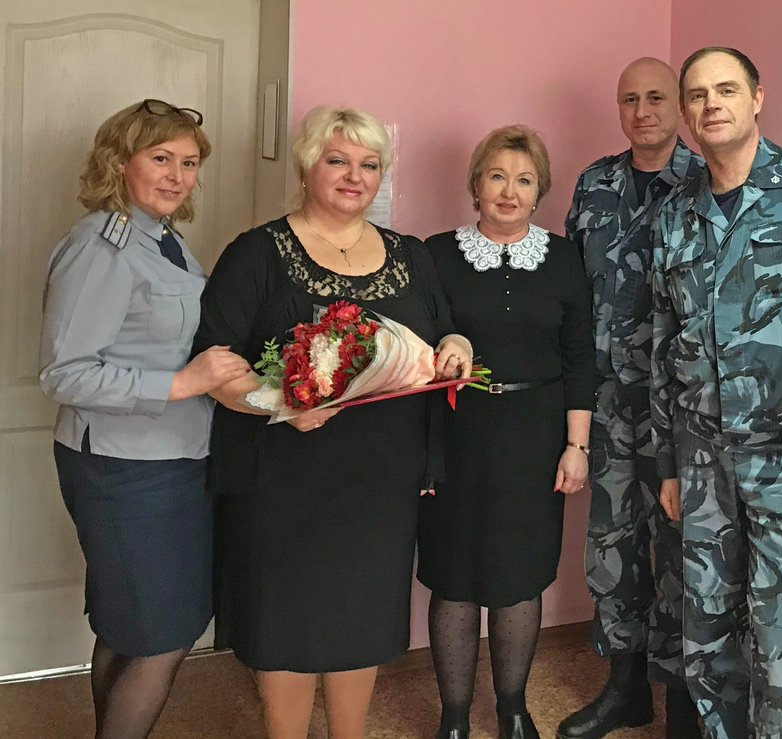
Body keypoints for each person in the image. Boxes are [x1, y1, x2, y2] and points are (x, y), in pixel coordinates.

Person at [194, 106, 472, 739]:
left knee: (359, 623)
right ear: (305, 167)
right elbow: (215, 365)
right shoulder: (257, 253)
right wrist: (280, 404)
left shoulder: (409, 254)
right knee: (286, 626)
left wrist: (457, 349)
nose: (355, 176)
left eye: (369, 165)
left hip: (380, 483)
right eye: (338, 160)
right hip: (284, 481)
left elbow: (446, 331)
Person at [651, 47, 782, 738]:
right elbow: (664, 344)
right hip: (702, 460)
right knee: (707, 640)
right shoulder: (675, 214)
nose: (711, 104)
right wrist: (667, 463)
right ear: (686, 114)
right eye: (697, 95)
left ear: (757, 98)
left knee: (779, 644)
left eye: (726, 89)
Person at [39, 99, 251, 738]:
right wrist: (184, 383)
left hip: (172, 458)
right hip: (124, 468)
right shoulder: (99, 246)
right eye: (161, 158)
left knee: (131, 627)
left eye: (189, 163)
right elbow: (64, 374)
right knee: (160, 635)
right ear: (119, 162)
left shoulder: (164, 240)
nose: (178, 176)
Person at [418, 125, 596, 739]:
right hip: (455, 434)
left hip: (535, 437)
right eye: (497, 176)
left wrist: (577, 447)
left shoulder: (564, 258)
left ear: (539, 191)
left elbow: (580, 358)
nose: (509, 191)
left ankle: (513, 710)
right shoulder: (436, 254)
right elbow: (417, 344)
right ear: (476, 183)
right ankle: (454, 718)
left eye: (524, 180)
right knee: (455, 577)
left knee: (520, 575)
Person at [560, 58, 704, 739]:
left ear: (679, 105)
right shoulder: (595, 183)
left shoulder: (708, 182)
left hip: (685, 407)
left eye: (655, 98)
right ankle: (625, 689)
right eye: (629, 99)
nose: (642, 111)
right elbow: (571, 292)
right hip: (611, 400)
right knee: (612, 544)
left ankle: (683, 707)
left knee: (682, 550)